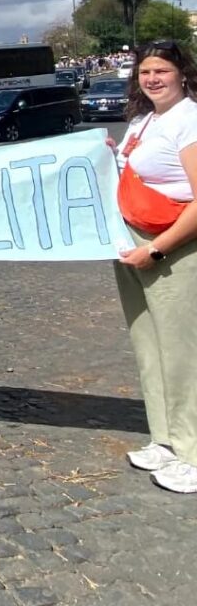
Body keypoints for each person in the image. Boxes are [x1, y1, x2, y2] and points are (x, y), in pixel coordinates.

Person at [112, 39, 197, 494]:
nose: (153, 79)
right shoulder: (144, 121)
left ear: (182, 73)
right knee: (149, 346)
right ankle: (166, 438)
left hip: (173, 248)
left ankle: (193, 451)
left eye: (162, 70)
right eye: (146, 72)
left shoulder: (190, 120)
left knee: (185, 353)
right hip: (133, 245)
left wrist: (158, 250)